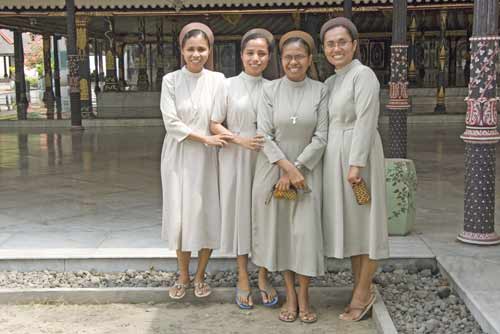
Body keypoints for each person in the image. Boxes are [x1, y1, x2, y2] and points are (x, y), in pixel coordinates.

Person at [251, 30, 328, 323]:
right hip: (275, 172)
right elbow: (263, 134)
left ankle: (305, 295)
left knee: (305, 236)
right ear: (280, 60)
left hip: (308, 175)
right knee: (283, 233)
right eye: (288, 57)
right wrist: (287, 168)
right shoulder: (269, 91)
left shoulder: (320, 90)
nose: (293, 62)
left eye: (299, 57)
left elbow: (322, 137)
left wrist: (298, 168)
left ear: (309, 59)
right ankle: (291, 295)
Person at [321, 17, 389, 321]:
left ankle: (364, 292)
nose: (337, 48)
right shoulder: (331, 82)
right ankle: (357, 285)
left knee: (366, 223)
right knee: (352, 225)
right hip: (335, 156)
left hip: (357, 161)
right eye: (330, 43)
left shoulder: (364, 76)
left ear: (354, 45)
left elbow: (365, 121)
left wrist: (356, 164)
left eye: (342, 42)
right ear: (324, 49)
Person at [160, 22, 232, 300]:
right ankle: (183, 275)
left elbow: (217, 118)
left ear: (209, 50)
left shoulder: (218, 80)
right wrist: (204, 139)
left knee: (205, 213)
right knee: (180, 215)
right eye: (190, 49)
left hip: (207, 158)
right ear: (182, 50)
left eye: (201, 49)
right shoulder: (171, 81)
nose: (196, 54)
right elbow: (171, 123)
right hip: (179, 154)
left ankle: (201, 275)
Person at [210, 28, 279, 310]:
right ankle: (241, 277)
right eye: (250, 53)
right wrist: (240, 139)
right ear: (241, 56)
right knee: (240, 216)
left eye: (261, 53)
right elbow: (215, 123)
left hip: (264, 159)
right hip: (235, 157)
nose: (255, 58)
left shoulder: (273, 88)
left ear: (268, 57)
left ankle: (262, 276)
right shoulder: (226, 86)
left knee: (264, 216)